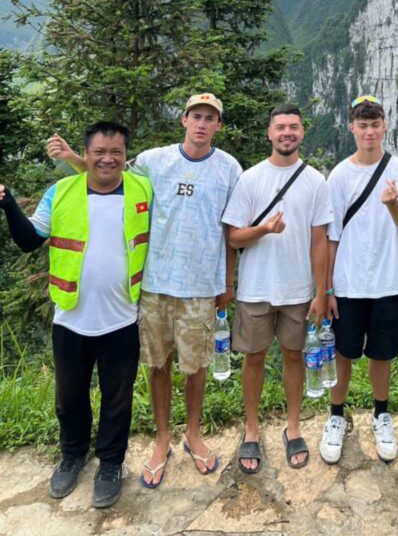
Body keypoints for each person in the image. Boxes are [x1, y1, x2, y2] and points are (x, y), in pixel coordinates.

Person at [47, 92, 241, 488]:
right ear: (184, 120)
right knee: (158, 364)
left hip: (201, 285)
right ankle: (162, 438)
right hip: (154, 284)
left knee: (196, 366)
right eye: (196, 116)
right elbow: (106, 171)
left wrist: (228, 279)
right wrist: (71, 157)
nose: (202, 124)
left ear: (218, 125)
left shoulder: (229, 168)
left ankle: (194, 434)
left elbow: (230, 228)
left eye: (210, 118)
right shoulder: (154, 161)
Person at [0, 122, 151, 509]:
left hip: (122, 318)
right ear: (87, 153)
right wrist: (7, 202)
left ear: (125, 156)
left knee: (118, 398)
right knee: (69, 396)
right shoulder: (61, 192)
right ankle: (72, 454)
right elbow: (29, 240)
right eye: (99, 151)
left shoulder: (141, 189)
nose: (107, 159)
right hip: (70, 317)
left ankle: (111, 463)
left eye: (115, 152)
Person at [223, 104, 331, 473]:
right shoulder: (251, 179)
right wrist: (264, 230)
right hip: (255, 289)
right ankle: (251, 430)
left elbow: (320, 241)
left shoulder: (316, 181)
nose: (287, 133)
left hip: (299, 290)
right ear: (269, 133)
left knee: (294, 357)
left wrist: (321, 292)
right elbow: (234, 237)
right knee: (253, 359)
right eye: (280, 127)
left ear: (302, 133)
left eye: (294, 127)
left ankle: (293, 426)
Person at [318, 95, 398, 465]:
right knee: (343, 352)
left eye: (375, 124)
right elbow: (332, 236)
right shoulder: (340, 175)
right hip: (347, 282)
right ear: (351, 129)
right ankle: (337, 417)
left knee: (382, 354)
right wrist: (327, 288)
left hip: (387, 280)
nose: (369, 131)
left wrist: (391, 203)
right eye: (362, 125)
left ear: (385, 126)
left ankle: (381, 414)